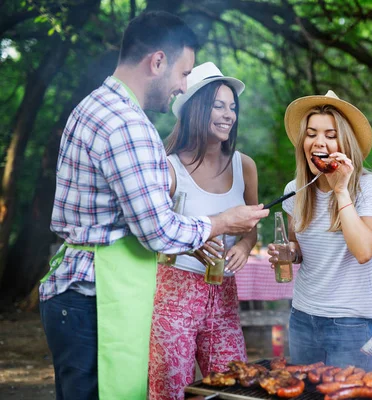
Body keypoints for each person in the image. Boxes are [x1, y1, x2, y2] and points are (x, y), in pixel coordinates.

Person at [39, 13, 268, 400]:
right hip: (93, 297)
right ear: (157, 62)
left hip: (80, 293)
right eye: (183, 73)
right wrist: (222, 221)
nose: (182, 87)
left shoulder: (94, 105)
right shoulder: (128, 124)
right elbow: (158, 231)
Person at [148, 62, 256, 400]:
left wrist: (244, 246)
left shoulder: (244, 166)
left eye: (232, 107)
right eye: (218, 105)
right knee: (171, 391)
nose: (228, 115)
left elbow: (250, 227)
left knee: (234, 389)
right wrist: (188, 244)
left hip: (223, 295)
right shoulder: (168, 167)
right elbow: (153, 237)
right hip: (174, 296)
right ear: (195, 108)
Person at [267, 90, 372, 371]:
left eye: (330, 135)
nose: (318, 142)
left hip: (351, 324)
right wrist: (290, 253)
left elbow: (364, 251)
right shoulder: (293, 191)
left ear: (344, 142)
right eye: (311, 133)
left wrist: (341, 190)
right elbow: (300, 251)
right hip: (302, 318)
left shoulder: (368, 186)